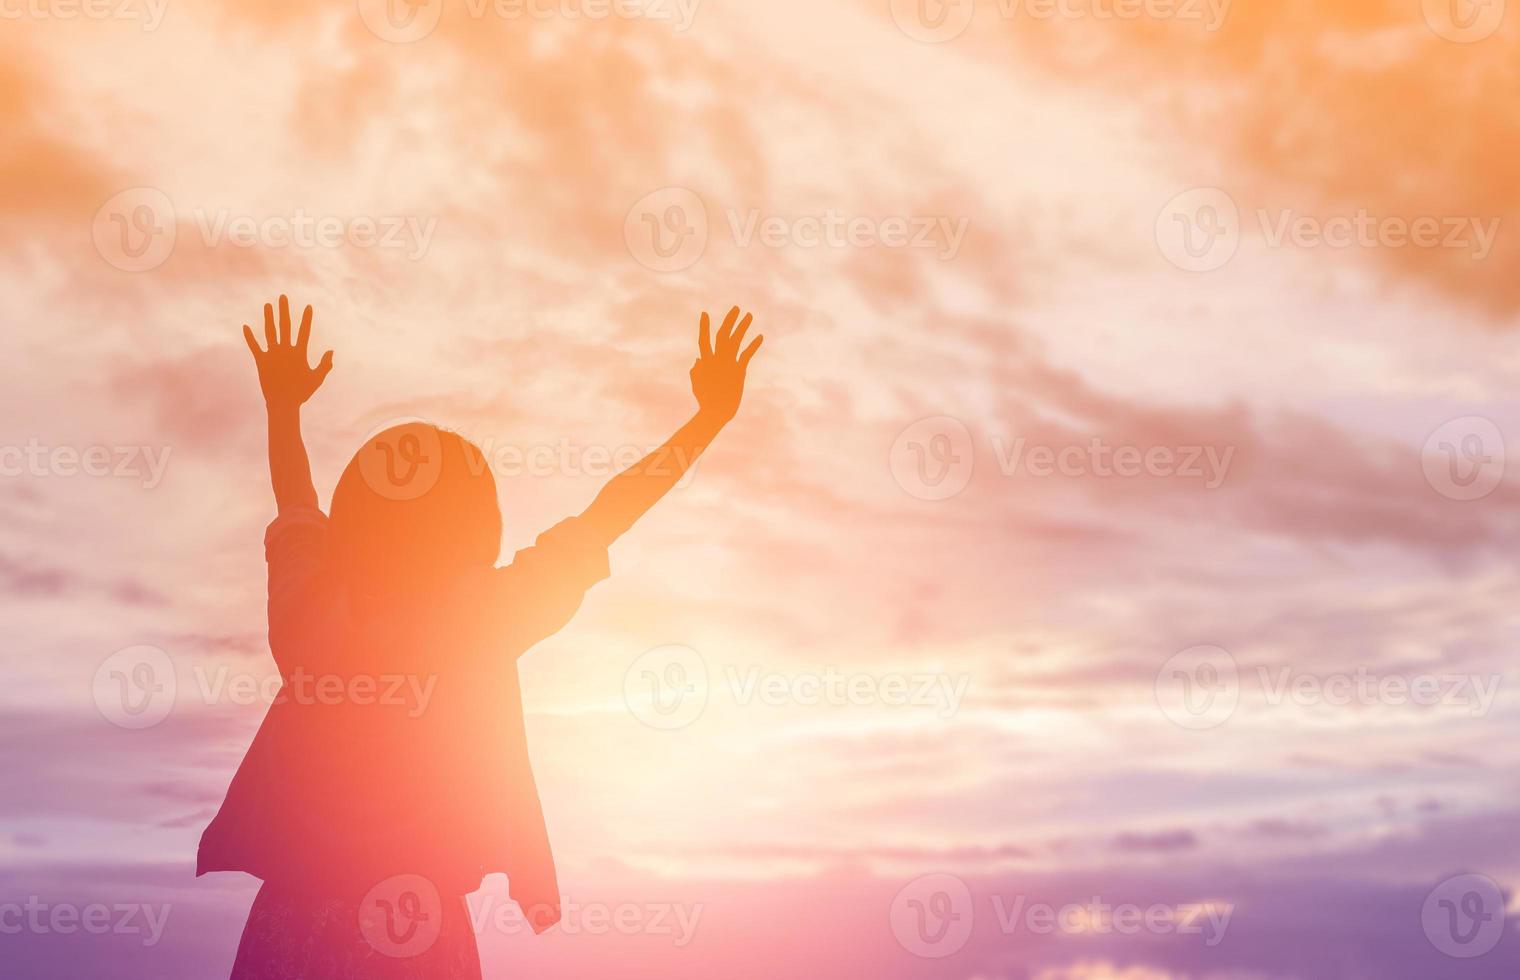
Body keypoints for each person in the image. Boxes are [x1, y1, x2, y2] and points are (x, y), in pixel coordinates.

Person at [198, 295, 763, 979]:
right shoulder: (482, 617)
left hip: (295, 918)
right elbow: (608, 515)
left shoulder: (312, 616)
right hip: (422, 923)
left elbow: (295, 505)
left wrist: (283, 409)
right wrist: (706, 420)